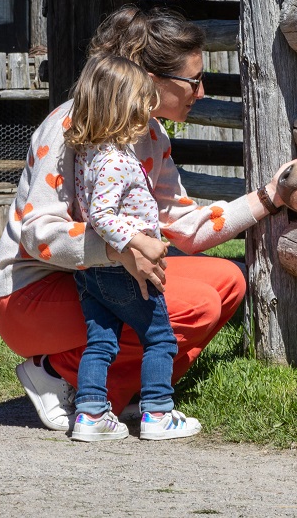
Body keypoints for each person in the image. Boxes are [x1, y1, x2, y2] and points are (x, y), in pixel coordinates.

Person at [0, 5, 297, 433]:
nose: (201, 92)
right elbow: (38, 234)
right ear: (152, 82)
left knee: (228, 281)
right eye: (193, 81)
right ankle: (59, 375)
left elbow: (187, 226)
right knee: (195, 307)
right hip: (29, 296)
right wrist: (123, 251)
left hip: (94, 278)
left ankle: (125, 391)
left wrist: (270, 196)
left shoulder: (150, 134)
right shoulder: (68, 127)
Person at [65, 54, 200, 442]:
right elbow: (102, 216)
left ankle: (90, 415)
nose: (148, 114)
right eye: (142, 105)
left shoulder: (88, 156)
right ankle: (158, 411)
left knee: (102, 340)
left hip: (91, 272)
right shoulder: (115, 161)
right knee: (159, 338)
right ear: (124, 109)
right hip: (126, 270)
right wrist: (140, 242)